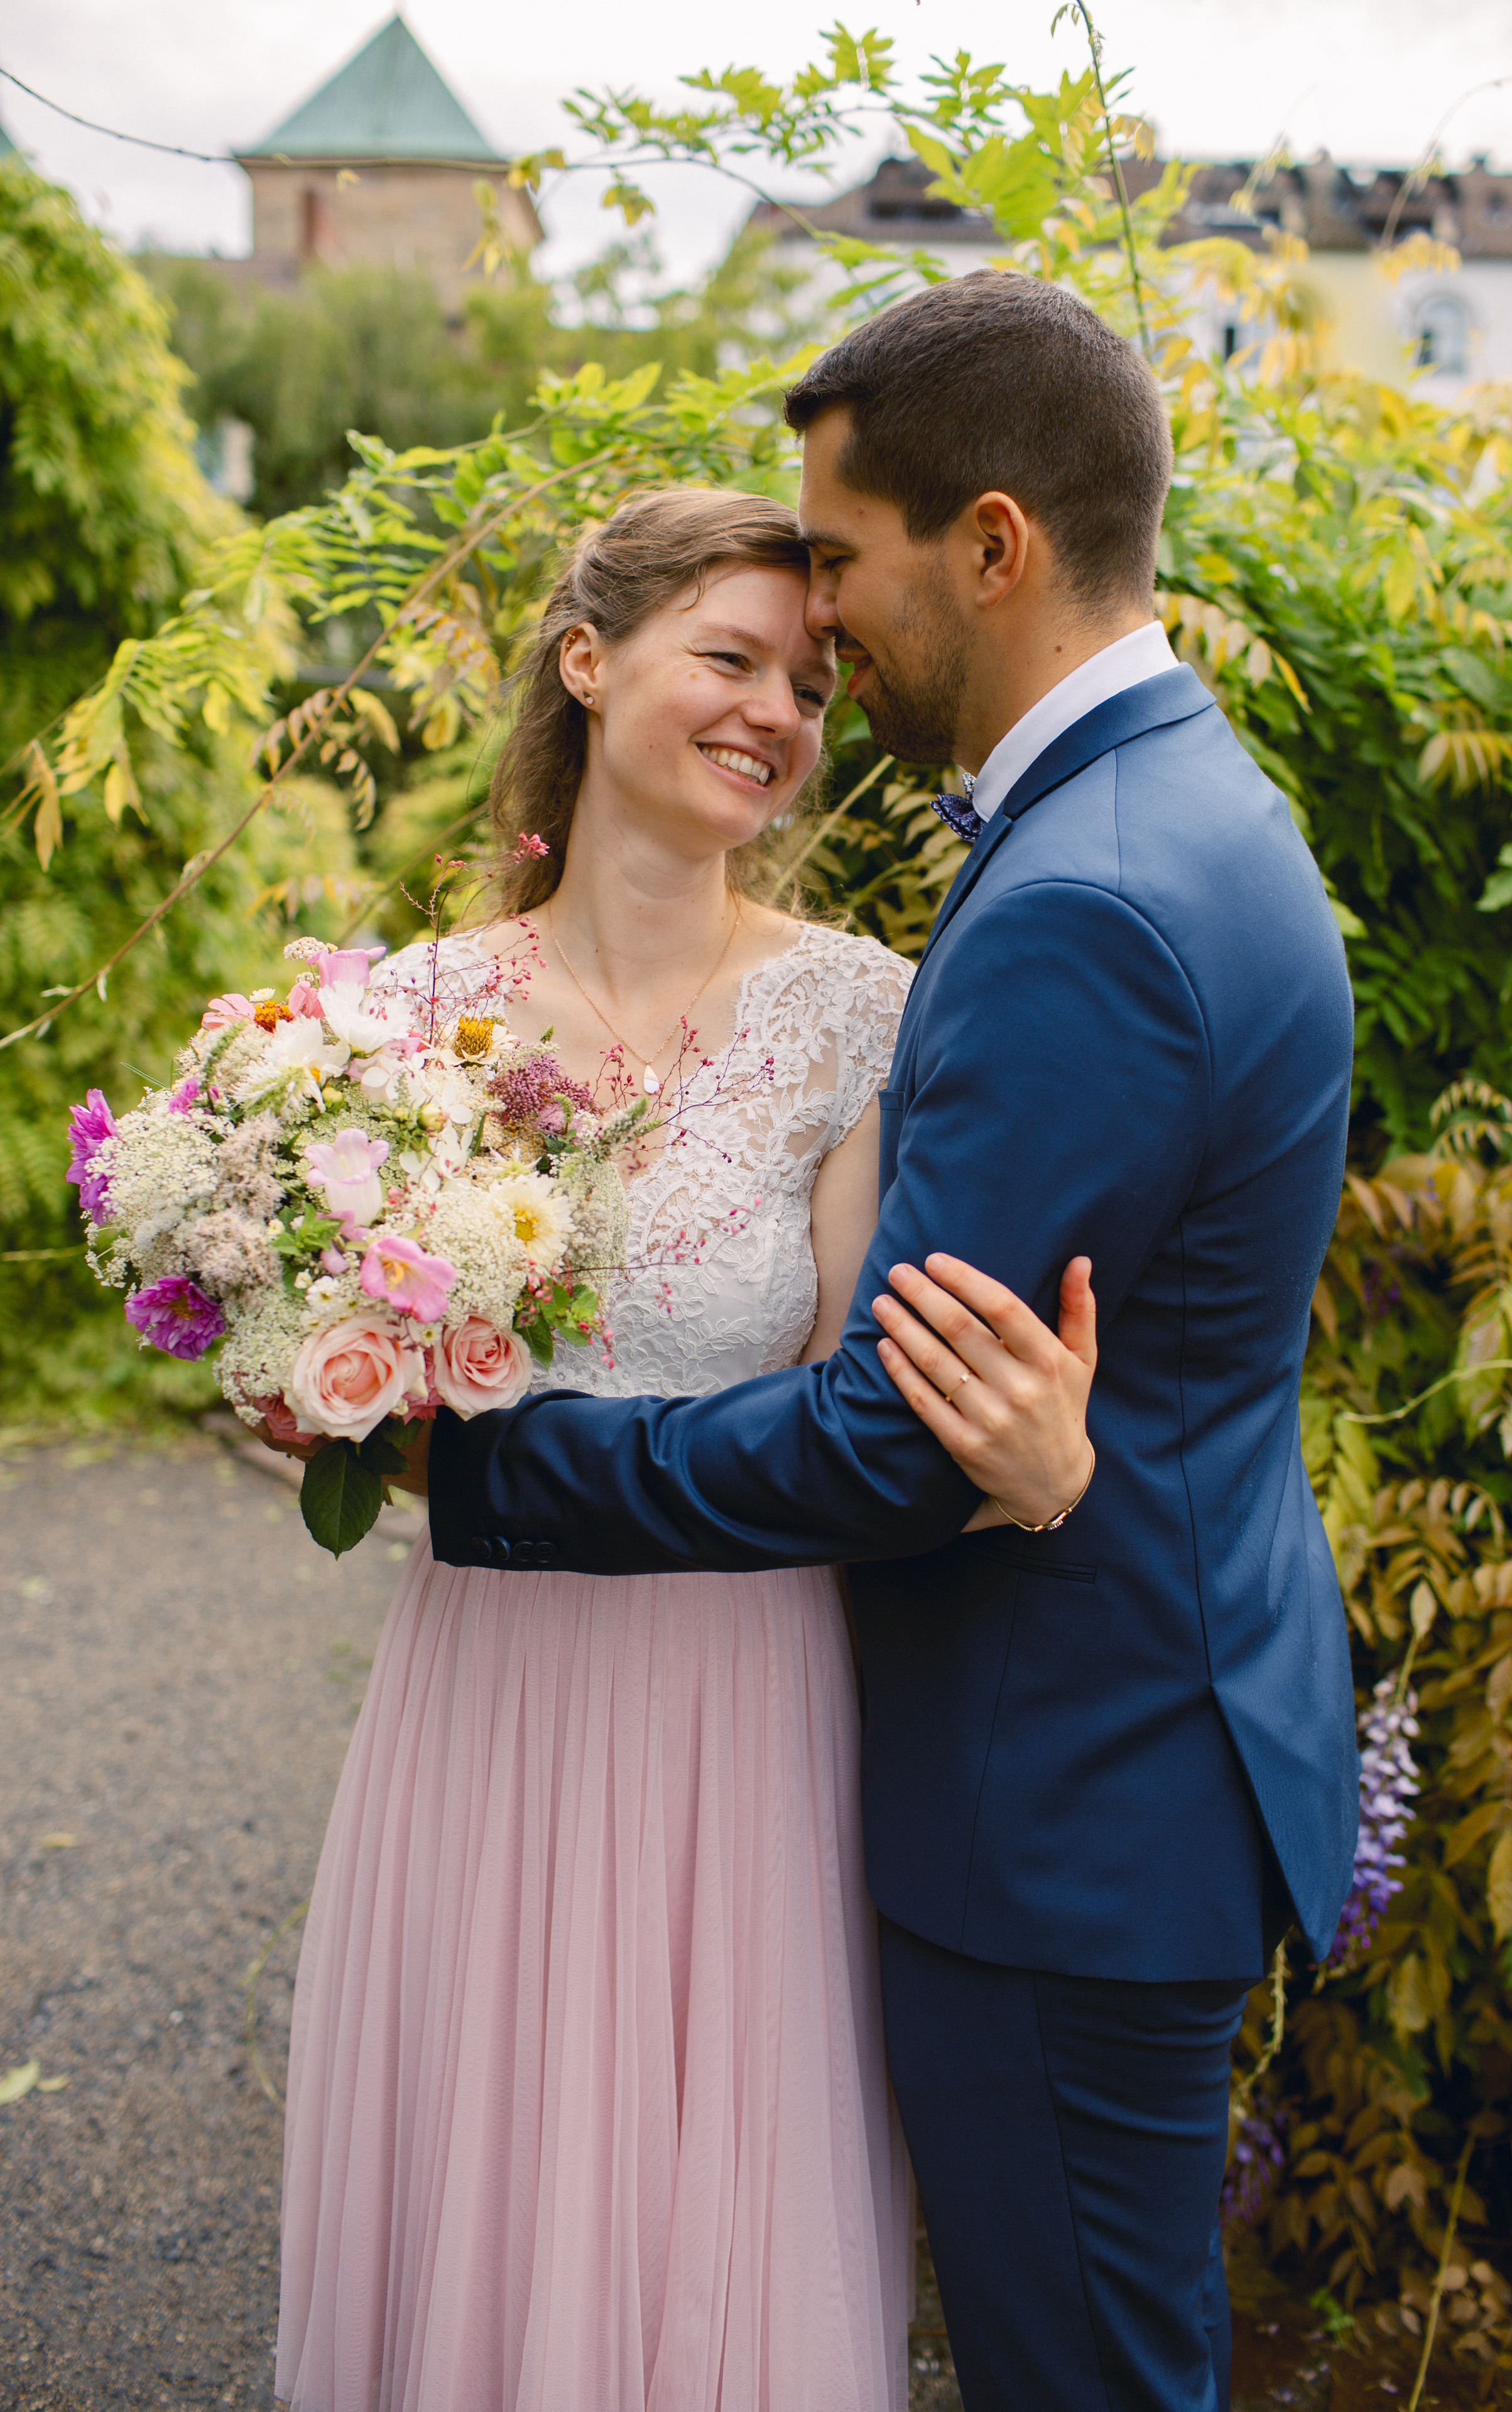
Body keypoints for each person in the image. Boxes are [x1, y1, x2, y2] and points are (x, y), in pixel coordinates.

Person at [422, 273, 1362, 2412]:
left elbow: (887, 1440)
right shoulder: (1178, 806)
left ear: (995, 543)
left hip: (1064, 1799)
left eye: (840, 563)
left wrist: (484, 1464)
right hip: (1132, 1740)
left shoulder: (1086, 895)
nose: (822, 627)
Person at [273, 486, 1098, 2412]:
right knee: (487, 2186)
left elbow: (857, 1420)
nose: (777, 715)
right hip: (489, 1692)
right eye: (730, 659)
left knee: (716, 2227)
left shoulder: (858, 1017)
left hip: (750, 1701)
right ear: (588, 659)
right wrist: (299, 1375)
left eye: (808, 685)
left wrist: (1029, 1462)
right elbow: (354, 1393)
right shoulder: (401, 1025)